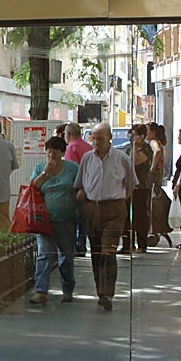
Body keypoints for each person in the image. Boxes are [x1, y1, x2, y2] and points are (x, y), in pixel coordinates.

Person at [74, 122, 136, 311]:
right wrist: (83, 194)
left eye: (100, 138)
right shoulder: (87, 158)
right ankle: (100, 291)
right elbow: (80, 183)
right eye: (93, 138)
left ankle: (108, 293)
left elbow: (131, 184)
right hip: (92, 208)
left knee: (109, 250)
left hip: (114, 209)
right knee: (96, 252)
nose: (96, 142)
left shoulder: (122, 158)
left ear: (110, 138)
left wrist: (118, 203)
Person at [28, 135, 79, 306]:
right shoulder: (40, 168)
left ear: (62, 153)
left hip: (66, 219)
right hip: (45, 220)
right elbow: (33, 186)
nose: (52, 156)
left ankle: (68, 288)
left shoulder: (72, 168)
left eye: (55, 153)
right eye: (49, 153)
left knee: (66, 255)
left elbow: (80, 186)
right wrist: (45, 172)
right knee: (44, 254)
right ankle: (41, 291)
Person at [64, 123, 93, 256]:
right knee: (84, 218)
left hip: (78, 188)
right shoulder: (88, 146)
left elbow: (72, 171)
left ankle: (77, 245)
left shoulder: (71, 147)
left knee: (75, 217)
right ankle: (82, 243)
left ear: (68, 134)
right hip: (90, 187)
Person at [127, 124, 152, 253]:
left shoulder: (147, 149)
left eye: (135, 135)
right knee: (127, 217)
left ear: (142, 136)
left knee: (140, 216)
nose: (132, 138)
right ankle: (128, 244)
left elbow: (136, 161)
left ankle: (142, 244)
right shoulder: (128, 148)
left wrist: (135, 147)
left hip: (142, 186)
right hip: (130, 187)